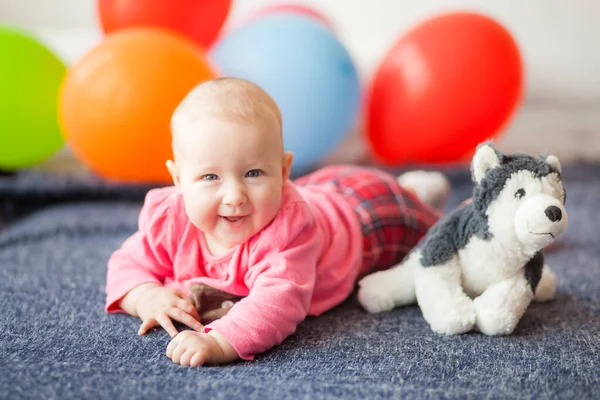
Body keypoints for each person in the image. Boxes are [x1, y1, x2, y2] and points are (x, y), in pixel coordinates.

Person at [105, 77, 447, 367]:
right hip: (323, 193)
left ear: (284, 172)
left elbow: (279, 303)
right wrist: (145, 296)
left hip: (365, 216)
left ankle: (418, 193)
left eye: (253, 173)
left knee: (437, 234)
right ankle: (414, 187)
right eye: (210, 177)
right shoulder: (169, 219)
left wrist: (220, 342)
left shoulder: (289, 231)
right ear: (178, 179)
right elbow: (127, 261)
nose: (234, 195)